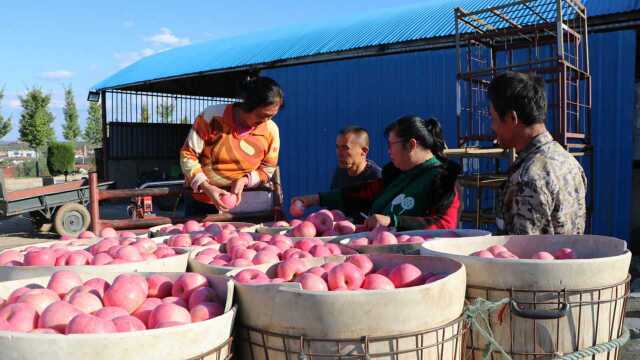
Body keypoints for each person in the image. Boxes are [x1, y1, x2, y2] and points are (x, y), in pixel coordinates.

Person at [292, 116, 461, 231]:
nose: (388, 151)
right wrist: (315, 199)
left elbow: (445, 225)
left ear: (411, 145)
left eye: (391, 145)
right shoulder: (398, 175)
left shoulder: (444, 180)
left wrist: (393, 221)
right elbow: (360, 193)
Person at [488, 71, 587, 235]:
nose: (492, 127)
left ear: (513, 118)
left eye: (494, 118)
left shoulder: (527, 177)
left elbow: (521, 255)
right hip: (569, 259)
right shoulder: (570, 162)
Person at [179, 76, 283, 217]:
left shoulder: (271, 130)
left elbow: (267, 169)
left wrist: (245, 180)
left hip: (247, 204)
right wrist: (206, 186)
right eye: (263, 115)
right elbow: (188, 154)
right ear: (248, 105)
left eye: (271, 116)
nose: (266, 121)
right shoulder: (212, 117)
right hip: (203, 203)